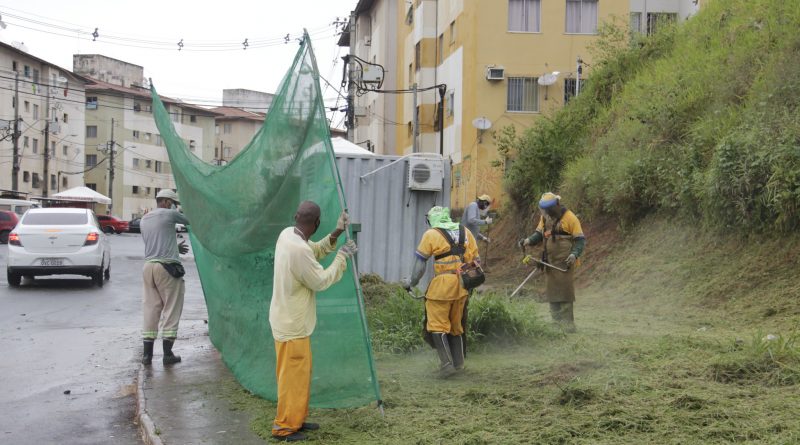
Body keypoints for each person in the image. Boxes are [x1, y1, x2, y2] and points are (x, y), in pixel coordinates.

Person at [269, 201, 357, 442]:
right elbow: (320, 281)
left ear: (296, 216)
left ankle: (296, 419)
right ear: (316, 223)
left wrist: (337, 232)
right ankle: (284, 428)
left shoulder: (288, 235)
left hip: (287, 320)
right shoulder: (298, 250)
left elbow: (313, 251)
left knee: (300, 375)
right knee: (292, 378)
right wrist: (341, 257)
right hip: (292, 326)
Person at [402, 206, 479, 377]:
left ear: (431, 219)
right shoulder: (465, 232)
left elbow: (419, 266)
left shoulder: (431, 234)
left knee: (437, 326)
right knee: (456, 326)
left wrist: (410, 283)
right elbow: (476, 261)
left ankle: (446, 365)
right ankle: (459, 365)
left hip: (442, 286)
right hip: (462, 286)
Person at [518, 192, 585, 332]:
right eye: (545, 210)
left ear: (557, 205)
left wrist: (574, 254)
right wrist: (528, 240)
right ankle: (556, 324)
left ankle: (568, 326)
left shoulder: (570, 218)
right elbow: (539, 234)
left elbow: (580, 240)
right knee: (553, 293)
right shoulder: (545, 218)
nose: (547, 212)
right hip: (550, 261)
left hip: (565, 262)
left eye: (549, 209)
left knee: (565, 293)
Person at [140, 189, 190, 366]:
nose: (173, 206)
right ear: (168, 202)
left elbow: (158, 241)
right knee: (171, 307)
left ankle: (147, 356)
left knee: (151, 309)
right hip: (167, 268)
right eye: (173, 203)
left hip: (148, 267)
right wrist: (181, 206)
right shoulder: (169, 214)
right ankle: (167, 354)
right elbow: (190, 219)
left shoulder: (144, 219)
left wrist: (175, 247)